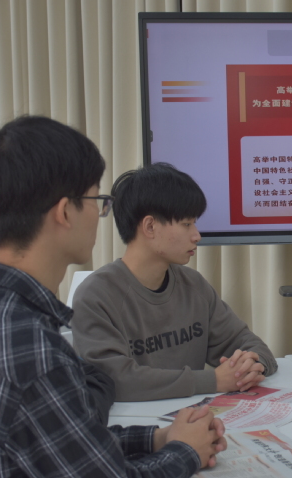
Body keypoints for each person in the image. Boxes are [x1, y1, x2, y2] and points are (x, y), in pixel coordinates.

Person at [0, 116, 226, 478]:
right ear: (64, 212)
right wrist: (185, 451)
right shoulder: (28, 348)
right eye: (97, 201)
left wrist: (158, 439)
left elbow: (64, 441)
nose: (101, 214)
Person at [72, 163, 277, 401]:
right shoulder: (95, 295)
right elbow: (116, 380)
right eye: (187, 224)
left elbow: (250, 345)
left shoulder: (194, 285)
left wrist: (253, 365)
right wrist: (213, 381)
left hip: (194, 418)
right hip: (131, 423)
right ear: (150, 226)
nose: (197, 235)